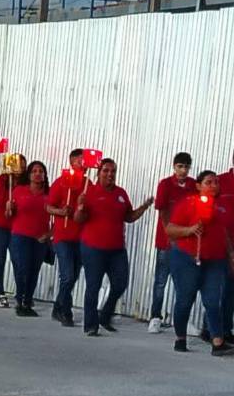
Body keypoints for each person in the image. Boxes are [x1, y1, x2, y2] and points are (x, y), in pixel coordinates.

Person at [75, 158, 153, 336]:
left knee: (120, 283)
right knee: (93, 286)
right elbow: (78, 220)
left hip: (117, 249)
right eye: (106, 171)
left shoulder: (121, 193)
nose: (110, 174)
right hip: (93, 248)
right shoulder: (89, 193)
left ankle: (106, 314)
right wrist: (80, 207)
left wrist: (145, 206)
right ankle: (90, 325)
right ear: (99, 172)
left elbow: (129, 217)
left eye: (113, 171)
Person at [166, 170, 234, 355]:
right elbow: (171, 229)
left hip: (215, 261)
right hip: (188, 258)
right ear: (198, 185)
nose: (214, 186)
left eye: (216, 182)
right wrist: (190, 230)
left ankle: (217, 342)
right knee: (185, 299)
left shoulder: (221, 207)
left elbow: (224, 234)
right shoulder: (187, 204)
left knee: (213, 301)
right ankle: (180, 338)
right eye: (209, 182)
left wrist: (230, 254)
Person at [148, 152, 196, 334]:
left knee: (182, 283)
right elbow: (162, 211)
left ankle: (181, 321)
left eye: (186, 167)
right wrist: (170, 232)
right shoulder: (165, 184)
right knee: (161, 280)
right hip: (167, 240)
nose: (183, 170)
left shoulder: (193, 185)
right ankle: (155, 317)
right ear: (174, 166)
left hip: (186, 241)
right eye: (180, 166)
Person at [46, 149, 86, 326]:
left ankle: (58, 305)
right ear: (72, 162)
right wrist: (61, 212)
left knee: (74, 275)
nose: (83, 164)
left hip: (81, 237)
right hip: (62, 236)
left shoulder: (88, 184)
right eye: (80, 161)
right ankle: (65, 310)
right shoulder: (61, 182)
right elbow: (48, 206)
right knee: (68, 275)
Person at [7, 161, 51, 316]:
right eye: (34, 171)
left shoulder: (49, 194)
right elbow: (9, 215)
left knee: (34, 270)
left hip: (40, 238)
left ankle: (28, 301)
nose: (38, 174)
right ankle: (20, 300)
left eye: (41, 171)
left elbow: (58, 217)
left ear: (45, 175)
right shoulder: (19, 190)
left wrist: (49, 234)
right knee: (23, 268)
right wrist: (9, 209)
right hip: (20, 235)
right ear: (29, 174)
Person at [0, 154, 26, 308]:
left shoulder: (26, 184)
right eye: (16, 165)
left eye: (22, 165)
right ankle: (0, 293)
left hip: (17, 228)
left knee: (18, 260)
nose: (19, 168)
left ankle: (21, 293)